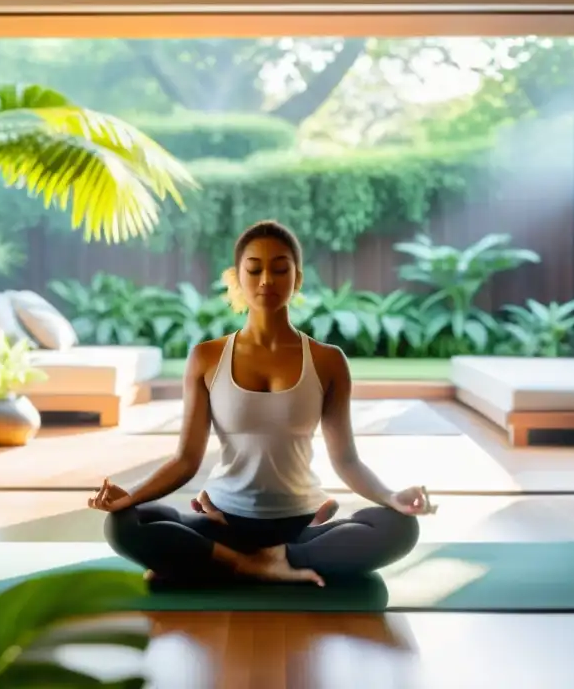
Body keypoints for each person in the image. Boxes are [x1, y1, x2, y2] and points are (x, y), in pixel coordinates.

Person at [88, 220, 434, 587]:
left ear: (297, 278)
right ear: (237, 278)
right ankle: (248, 563)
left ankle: (223, 562)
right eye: (254, 269)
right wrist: (130, 496)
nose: (267, 279)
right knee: (124, 524)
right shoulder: (206, 358)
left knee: (399, 527)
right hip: (226, 520)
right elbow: (186, 460)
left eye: (280, 269)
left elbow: (346, 460)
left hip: (298, 524)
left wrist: (391, 496)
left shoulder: (328, 360)